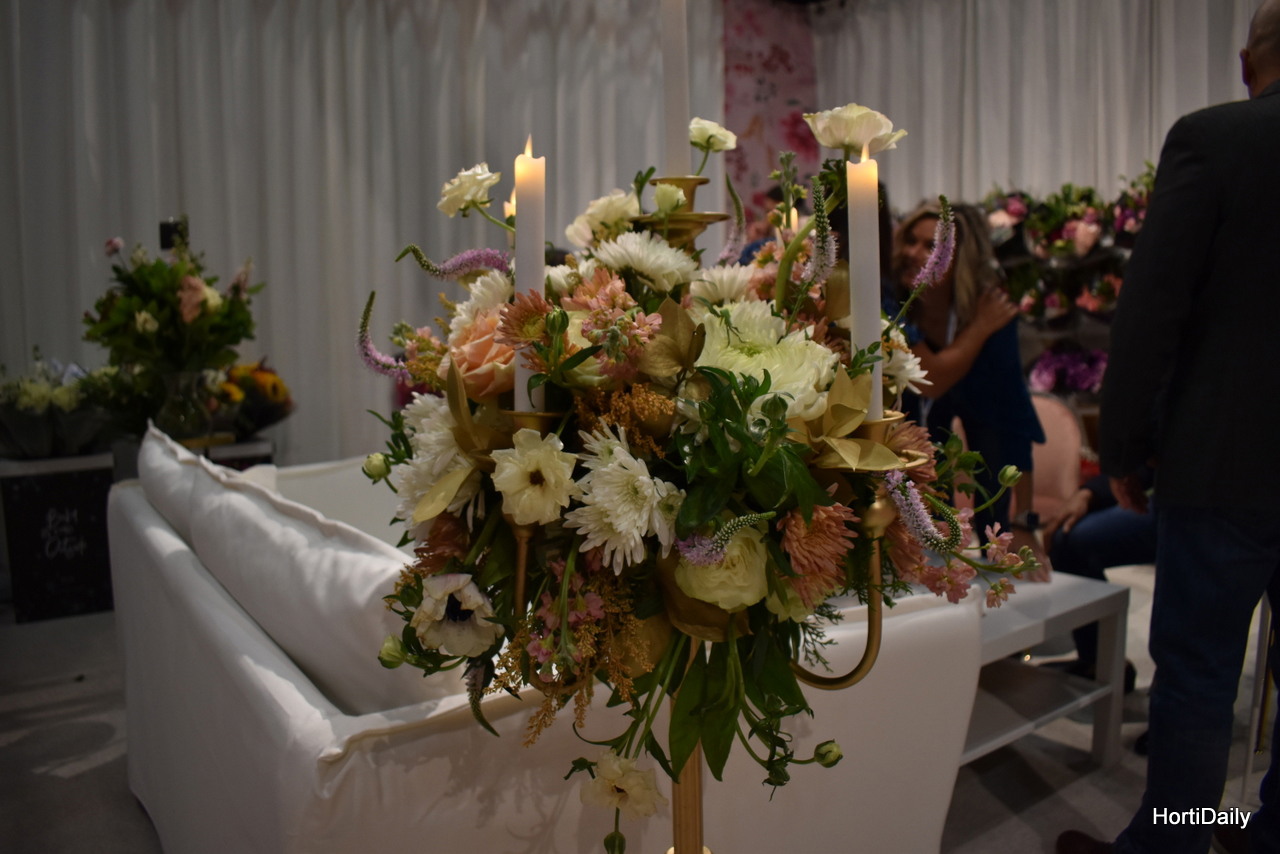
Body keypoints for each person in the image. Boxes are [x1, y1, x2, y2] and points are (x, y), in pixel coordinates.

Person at [1057, 3, 1280, 853]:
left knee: (1198, 675)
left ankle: (1172, 843)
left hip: (1226, 462)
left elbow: (1152, 311)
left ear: (1246, 62)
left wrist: (1122, 448)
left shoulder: (1215, 140)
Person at [887, 202, 1046, 546]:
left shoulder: (990, 309)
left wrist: (1024, 520)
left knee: (992, 454)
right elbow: (929, 381)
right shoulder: (890, 301)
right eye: (911, 241)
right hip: (897, 469)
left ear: (959, 259)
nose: (913, 253)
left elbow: (1012, 417)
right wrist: (978, 330)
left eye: (931, 246)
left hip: (973, 458)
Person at [1041, 469, 1157, 693]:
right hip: (1169, 496)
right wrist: (1089, 493)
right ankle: (1100, 663)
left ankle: (1185, 691)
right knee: (1067, 537)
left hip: (1216, 506)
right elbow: (1146, 461)